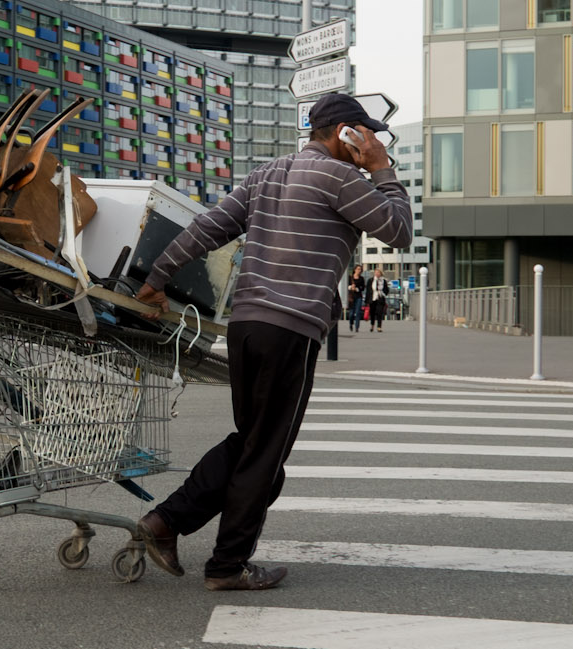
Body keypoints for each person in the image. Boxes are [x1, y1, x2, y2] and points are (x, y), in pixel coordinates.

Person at [131, 91, 413, 591]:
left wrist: (159, 274)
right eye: (365, 132)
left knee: (253, 444)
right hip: (290, 328)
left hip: (247, 326)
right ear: (346, 133)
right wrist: (383, 169)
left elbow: (210, 226)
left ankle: (167, 523)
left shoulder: (267, 174)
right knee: (264, 454)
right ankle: (223, 565)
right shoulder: (342, 176)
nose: (371, 140)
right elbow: (397, 230)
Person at [346, 265, 365, 332]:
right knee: (351, 313)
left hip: (358, 297)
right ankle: (351, 323)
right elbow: (346, 286)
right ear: (355, 269)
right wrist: (351, 287)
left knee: (358, 312)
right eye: (357, 269)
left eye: (360, 269)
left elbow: (363, 288)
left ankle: (357, 327)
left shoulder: (361, 278)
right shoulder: (350, 278)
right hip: (351, 297)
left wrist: (357, 288)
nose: (359, 270)